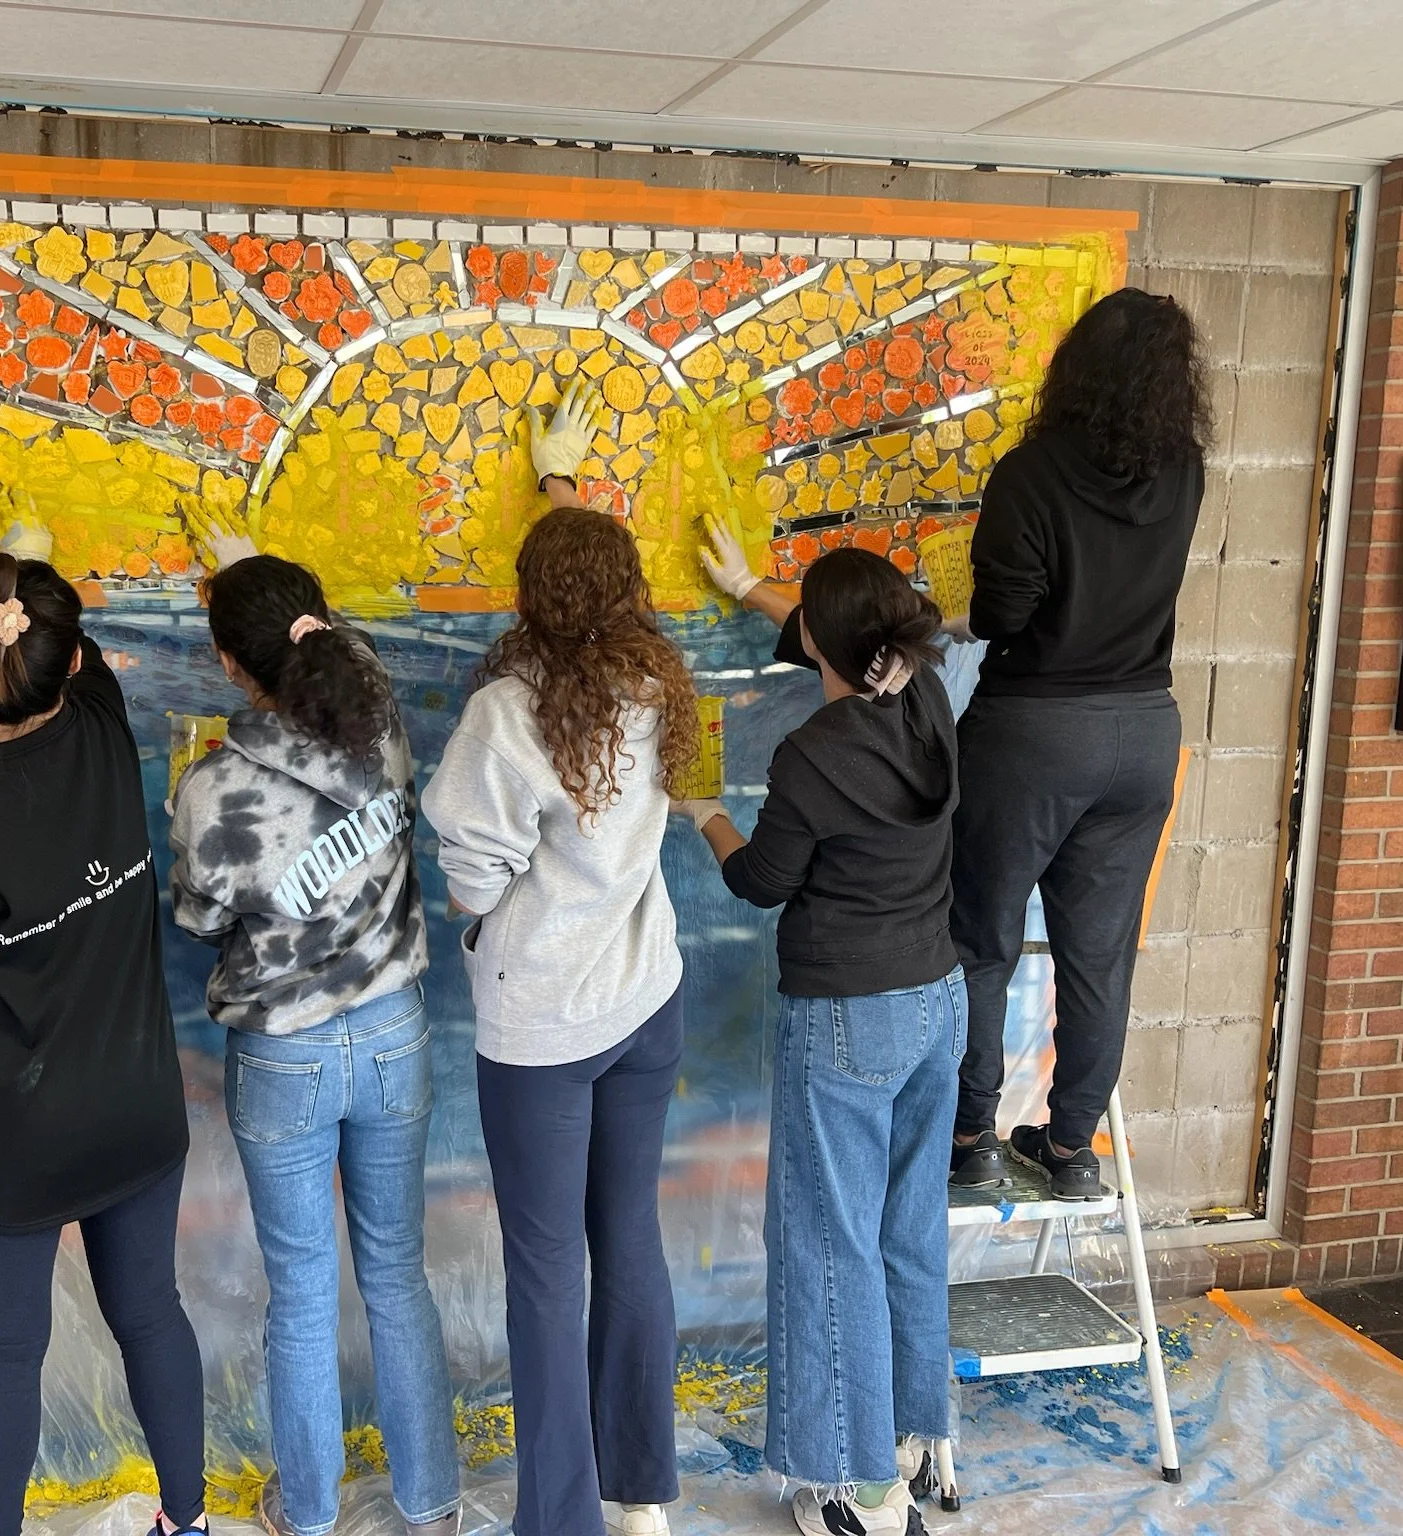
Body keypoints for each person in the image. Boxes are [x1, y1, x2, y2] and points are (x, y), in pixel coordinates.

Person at [0, 532, 204, 1536]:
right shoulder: (107, 732)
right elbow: (81, 653)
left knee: (6, 1361)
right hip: (135, 1108)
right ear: (65, 655)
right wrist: (29, 566)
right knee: (151, 1316)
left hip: (12, 1134)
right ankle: (186, 1524)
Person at [421, 381, 695, 1536]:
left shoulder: (507, 713)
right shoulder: (656, 681)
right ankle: (639, 1498)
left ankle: (562, 1522)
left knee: (543, 1274)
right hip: (643, 1001)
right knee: (624, 1239)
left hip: (541, 1030)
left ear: (528, 599)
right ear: (626, 591)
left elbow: (468, 865)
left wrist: (485, 927)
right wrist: (560, 487)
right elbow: (588, 590)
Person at [167, 547, 459, 1536]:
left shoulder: (212, 790)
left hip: (283, 1055)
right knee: (396, 1273)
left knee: (299, 1295)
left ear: (227, 668)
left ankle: (309, 1511)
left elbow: (201, 921)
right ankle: (432, 1504)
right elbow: (331, 643)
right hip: (392, 1033)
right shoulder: (377, 721)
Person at [688, 539, 962, 1536]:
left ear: (825, 642)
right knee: (903, 1231)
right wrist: (743, 588)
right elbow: (856, 636)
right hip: (937, 1001)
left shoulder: (811, 755)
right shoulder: (925, 695)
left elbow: (760, 880)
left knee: (827, 1244)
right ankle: (915, 1438)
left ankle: (861, 1493)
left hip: (848, 1018)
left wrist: (704, 814)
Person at [943, 287, 1208, 1199]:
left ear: (1075, 369)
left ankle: (970, 1135)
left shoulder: (1031, 473)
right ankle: (1070, 1152)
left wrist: (954, 613)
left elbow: (1001, 615)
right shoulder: (1186, 471)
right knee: (1101, 955)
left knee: (981, 937)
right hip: (1145, 729)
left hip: (1036, 731)